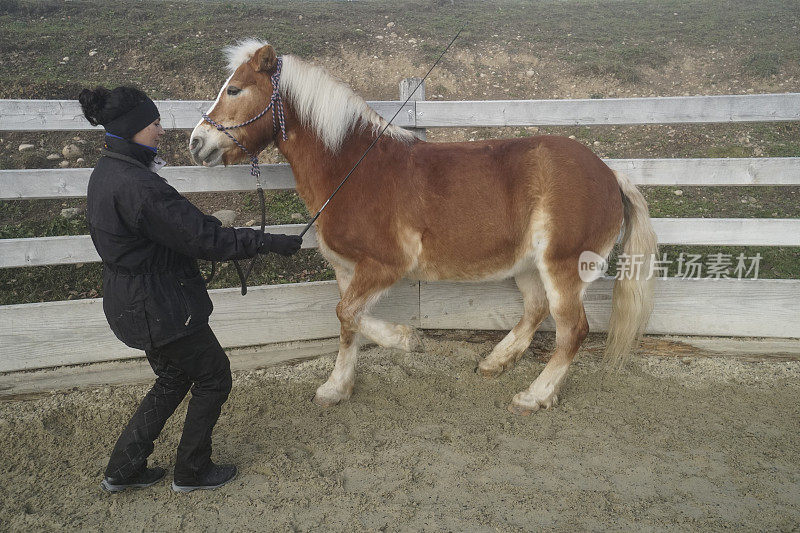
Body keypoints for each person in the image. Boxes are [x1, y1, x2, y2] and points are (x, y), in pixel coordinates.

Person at [78, 85, 302, 493]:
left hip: (132, 304)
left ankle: (122, 470)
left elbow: (179, 231)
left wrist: (209, 231)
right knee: (215, 376)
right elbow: (204, 240)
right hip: (162, 308)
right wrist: (268, 242)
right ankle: (192, 471)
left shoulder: (107, 172)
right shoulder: (140, 187)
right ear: (133, 129)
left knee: (172, 379)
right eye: (154, 123)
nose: (162, 131)